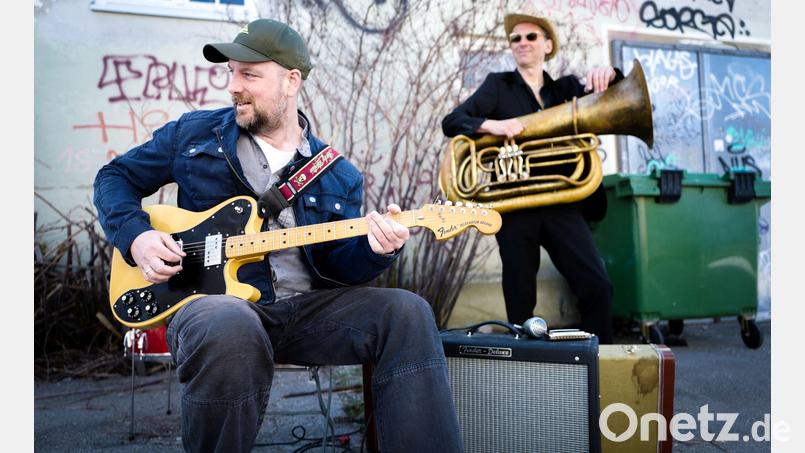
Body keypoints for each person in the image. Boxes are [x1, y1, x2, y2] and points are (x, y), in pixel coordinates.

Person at [94, 18, 463, 453]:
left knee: (407, 312)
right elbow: (113, 177)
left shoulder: (337, 174)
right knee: (229, 324)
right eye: (231, 72)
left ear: (291, 81)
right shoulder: (192, 135)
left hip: (305, 313)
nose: (233, 86)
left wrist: (377, 249)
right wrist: (136, 237)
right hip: (213, 307)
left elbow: (339, 266)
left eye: (248, 74)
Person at [441, 13, 619, 344]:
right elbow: (452, 121)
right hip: (515, 204)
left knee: (598, 287)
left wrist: (609, 73)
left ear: (547, 45)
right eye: (515, 39)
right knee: (521, 302)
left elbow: (612, 96)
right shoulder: (498, 85)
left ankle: (601, 368)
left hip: (562, 200)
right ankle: (527, 374)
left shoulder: (566, 88)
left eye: (531, 37)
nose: (522, 43)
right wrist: (491, 125)